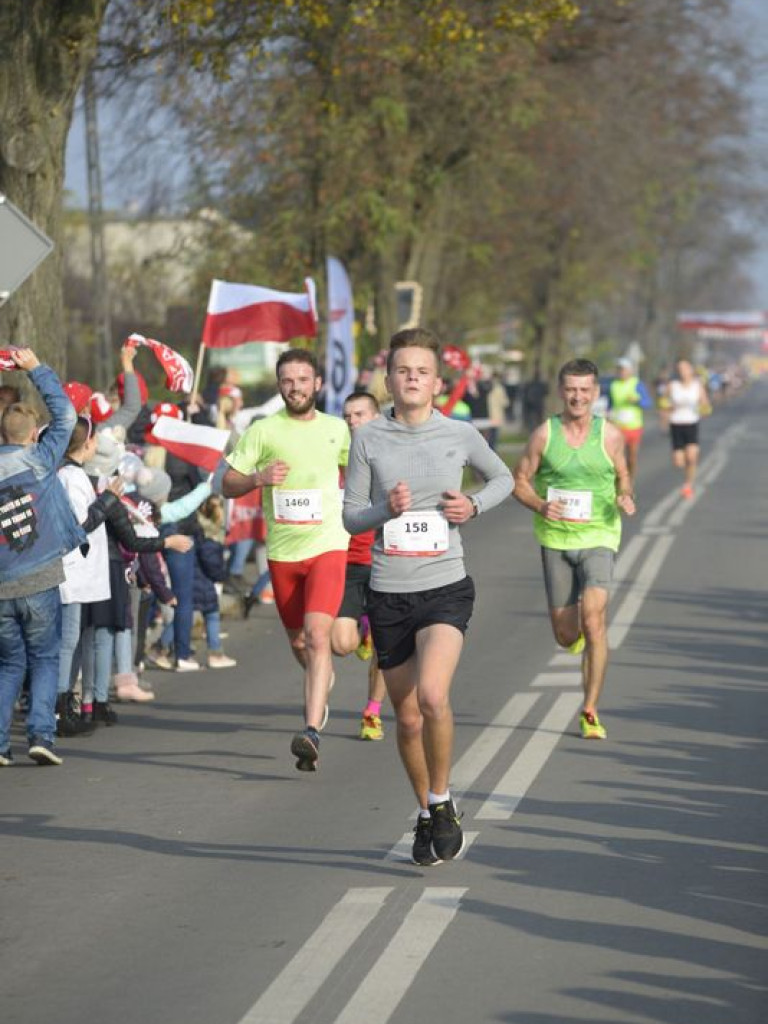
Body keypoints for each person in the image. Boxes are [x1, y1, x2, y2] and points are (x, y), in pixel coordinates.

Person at [343, 328, 513, 865]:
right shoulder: (369, 438)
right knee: (408, 717)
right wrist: (384, 512)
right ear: (389, 379)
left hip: (444, 585)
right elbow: (351, 517)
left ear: (438, 382)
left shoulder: (459, 434)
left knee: (433, 697)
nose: (412, 378)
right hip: (389, 591)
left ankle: (442, 802)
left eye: (422, 371)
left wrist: (474, 505)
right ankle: (423, 810)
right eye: (403, 370)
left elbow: (503, 477)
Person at [222, 348, 350, 772]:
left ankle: (311, 730)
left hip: (329, 545)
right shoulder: (263, 430)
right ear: (280, 386)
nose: (295, 388)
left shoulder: (338, 429)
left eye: (303, 380)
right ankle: (321, 679)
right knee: (300, 642)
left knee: (317, 636)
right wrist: (257, 478)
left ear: (318, 383)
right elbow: (226, 483)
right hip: (282, 553)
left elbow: (363, 474)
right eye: (288, 381)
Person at [512, 358, 636, 743]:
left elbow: (623, 473)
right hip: (556, 539)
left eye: (585, 390)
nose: (578, 396)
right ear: (561, 392)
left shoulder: (611, 435)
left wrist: (624, 494)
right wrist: (540, 504)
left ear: (597, 393)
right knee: (567, 635)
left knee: (596, 619)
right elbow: (520, 481)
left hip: (600, 535)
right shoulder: (544, 435)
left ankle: (589, 709)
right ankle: (575, 637)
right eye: (571, 389)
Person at [0, 349, 87, 766]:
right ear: (35, 435)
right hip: (40, 576)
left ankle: (0, 743)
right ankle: (41, 735)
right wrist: (36, 368)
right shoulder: (40, 460)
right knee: (46, 656)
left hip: (1, 584)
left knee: (8, 664)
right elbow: (67, 417)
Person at [331, 391, 387, 741]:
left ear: (376, 418)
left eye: (360, 415)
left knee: (386, 644)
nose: (353, 422)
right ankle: (361, 627)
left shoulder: (390, 456)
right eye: (348, 416)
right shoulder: (336, 457)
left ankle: (372, 712)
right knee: (341, 644)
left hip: (384, 560)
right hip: (347, 560)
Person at [607, 357, 651, 486]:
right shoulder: (613, 385)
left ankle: (630, 481)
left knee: (631, 458)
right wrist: (608, 415)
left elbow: (648, 403)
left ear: (630, 371)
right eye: (619, 369)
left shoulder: (637, 384)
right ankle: (617, 482)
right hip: (617, 426)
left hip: (634, 426)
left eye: (624, 369)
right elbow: (610, 404)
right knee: (615, 457)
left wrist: (637, 401)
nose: (621, 372)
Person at [668, 357, 707, 499]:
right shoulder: (673, 385)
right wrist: (667, 407)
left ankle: (688, 485)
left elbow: (705, 403)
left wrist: (703, 408)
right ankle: (686, 478)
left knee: (692, 457)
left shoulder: (697, 385)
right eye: (680, 369)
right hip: (676, 424)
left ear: (691, 370)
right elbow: (663, 401)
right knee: (679, 462)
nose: (682, 371)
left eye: (685, 368)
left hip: (691, 423)